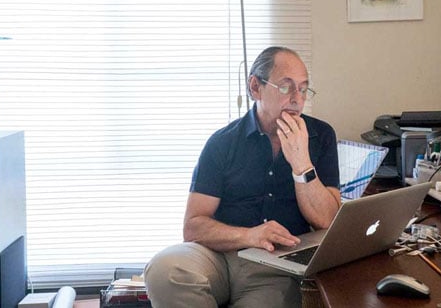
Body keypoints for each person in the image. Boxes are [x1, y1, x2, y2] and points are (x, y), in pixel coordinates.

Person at [144, 46, 341, 308]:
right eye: (286, 87)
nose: (297, 98)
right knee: (165, 269)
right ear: (255, 87)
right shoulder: (222, 142)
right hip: (218, 256)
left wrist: (301, 164)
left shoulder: (320, 136)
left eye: (303, 88)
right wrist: (250, 235)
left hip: (277, 268)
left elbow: (328, 220)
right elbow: (193, 226)